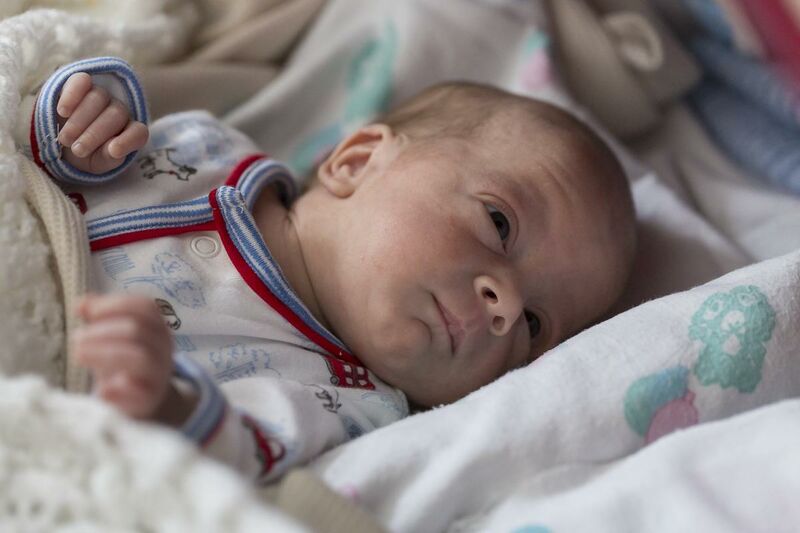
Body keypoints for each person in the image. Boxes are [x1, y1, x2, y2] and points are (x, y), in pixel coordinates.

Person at [18, 57, 636, 483]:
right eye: (499, 223)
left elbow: (241, 455)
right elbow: (41, 151)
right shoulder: (209, 152)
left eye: (533, 325)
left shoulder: (353, 410)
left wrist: (168, 406)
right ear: (359, 160)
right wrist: (76, 123)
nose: (504, 307)